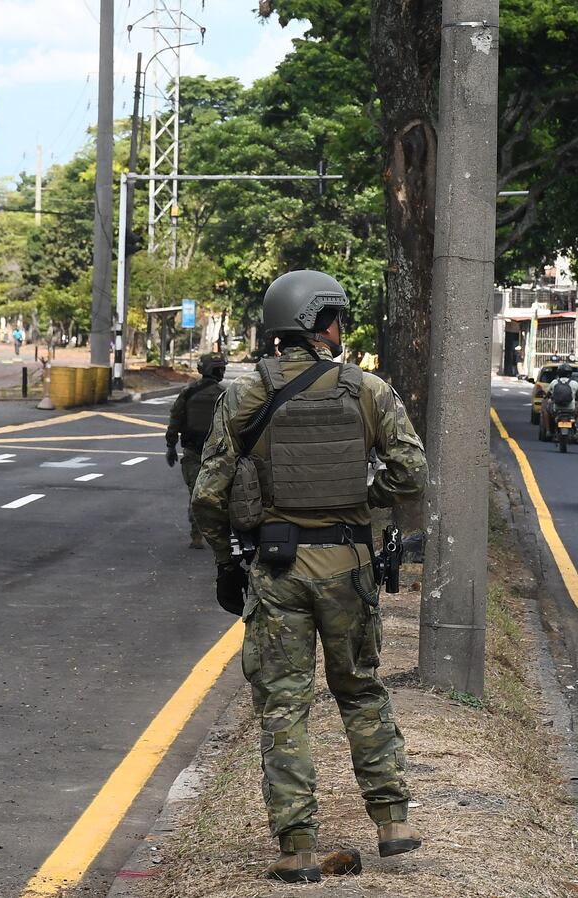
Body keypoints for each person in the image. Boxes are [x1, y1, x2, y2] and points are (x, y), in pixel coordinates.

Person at [191, 270, 428, 883]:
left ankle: (297, 848)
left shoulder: (242, 395)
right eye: (338, 318)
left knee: (283, 707)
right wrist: (362, 493)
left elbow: (208, 493)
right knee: (362, 690)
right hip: (349, 569)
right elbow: (410, 474)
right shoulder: (369, 390)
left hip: (277, 572)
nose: (342, 329)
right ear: (319, 322)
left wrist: (225, 560)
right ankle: (393, 822)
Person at [165, 352, 228, 548]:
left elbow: (175, 420)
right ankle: (218, 535)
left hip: (193, 453)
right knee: (219, 496)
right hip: (218, 454)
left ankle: (196, 535)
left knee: (196, 494)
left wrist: (171, 446)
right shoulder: (225, 394)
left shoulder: (188, 393)